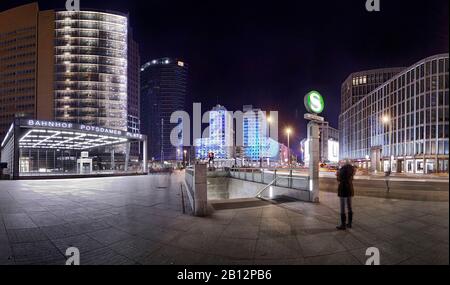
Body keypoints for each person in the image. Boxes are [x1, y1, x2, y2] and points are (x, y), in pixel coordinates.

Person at [336, 162, 356, 230]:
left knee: (342, 207)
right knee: (349, 206)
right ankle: (349, 223)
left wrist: (337, 175)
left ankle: (343, 224)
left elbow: (339, 179)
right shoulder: (352, 170)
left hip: (343, 189)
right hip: (350, 189)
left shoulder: (342, 170)